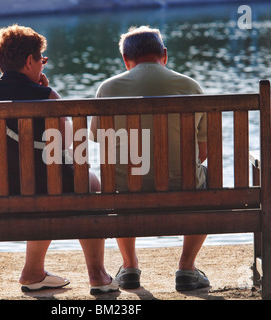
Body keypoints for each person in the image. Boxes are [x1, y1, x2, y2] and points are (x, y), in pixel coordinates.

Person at [0, 24, 117, 294]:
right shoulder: (47, 96)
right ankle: (97, 275)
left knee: (39, 184)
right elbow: (75, 149)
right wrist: (48, 96)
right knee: (90, 183)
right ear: (29, 61)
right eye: (42, 59)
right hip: (41, 191)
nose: (43, 65)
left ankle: (34, 272)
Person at [90, 26, 210, 292]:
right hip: (185, 187)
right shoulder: (190, 86)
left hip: (124, 190)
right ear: (164, 55)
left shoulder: (107, 89)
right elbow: (204, 152)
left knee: (118, 177)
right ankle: (187, 269)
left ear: (126, 60)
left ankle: (129, 266)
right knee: (207, 179)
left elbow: (103, 143)